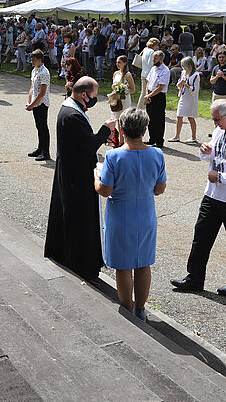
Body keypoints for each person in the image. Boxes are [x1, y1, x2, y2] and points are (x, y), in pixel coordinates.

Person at [171, 100, 226, 295]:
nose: (214, 123)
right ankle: (194, 278)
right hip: (213, 194)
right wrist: (205, 151)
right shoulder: (220, 130)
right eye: (213, 119)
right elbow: (212, 155)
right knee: (201, 235)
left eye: (216, 119)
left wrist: (221, 177)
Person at [95, 107, 166, 320]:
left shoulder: (114, 156)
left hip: (120, 216)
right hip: (145, 214)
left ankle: (126, 309)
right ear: (144, 130)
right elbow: (159, 189)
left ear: (121, 129)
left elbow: (105, 191)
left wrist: (96, 178)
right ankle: (140, 309)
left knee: (123, 266)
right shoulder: (156, 154)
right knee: (144, 263)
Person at [44, 77, 117, 280]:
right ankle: (81, 263)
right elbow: (89, 145)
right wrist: (105, 129)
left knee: (71, 217)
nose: (95, 99)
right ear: (83, 94)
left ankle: (68, 255)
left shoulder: (71, 109)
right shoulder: (72, 115)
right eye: (94, 96)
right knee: (80, 218)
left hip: (72, 170)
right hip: (76, 176)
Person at [26, 50, 52, 161]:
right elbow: (32, 87)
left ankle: (46, 151)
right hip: (35, 103)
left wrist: (33, 104)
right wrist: (29, 101)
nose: (32, 61)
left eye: (34, 59)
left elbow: (42, 92)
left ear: (40, 60)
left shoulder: (44, 72)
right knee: (38, 126)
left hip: (42, 103)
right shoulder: (34, 71)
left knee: (43, 127)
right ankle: (40, 148)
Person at [171, 56, 199, 143]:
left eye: (184, 66)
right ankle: (177, 136)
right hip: (183, 96)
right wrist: (181, 82)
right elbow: (178, 85)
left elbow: (194, 89)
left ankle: (193, 137)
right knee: (179, 116)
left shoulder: (196, 75)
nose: (183, 68)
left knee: (190, 117)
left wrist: (186, 84)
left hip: (191, 98)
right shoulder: (183, 72)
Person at [145, 50, 169, 148]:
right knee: (150, 118)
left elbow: (160, 87)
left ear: (161, 59)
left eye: (155, 58)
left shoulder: (165, 70)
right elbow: (148, 82)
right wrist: (147, 94)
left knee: (159, 119)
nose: (153, 60)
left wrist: (150, 96)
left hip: (158, 96)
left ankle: (159, 140)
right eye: (153, 58)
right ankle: (152, 139)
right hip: (150, 94)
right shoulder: (153, 69)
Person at [138, 38, 160, 108]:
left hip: (143, 72)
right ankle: (140, 108)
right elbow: (150, 63)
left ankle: (141, 107)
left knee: (143, 92)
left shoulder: (145, 49)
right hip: (149, 74)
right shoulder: (152, 52)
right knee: (149, 92)